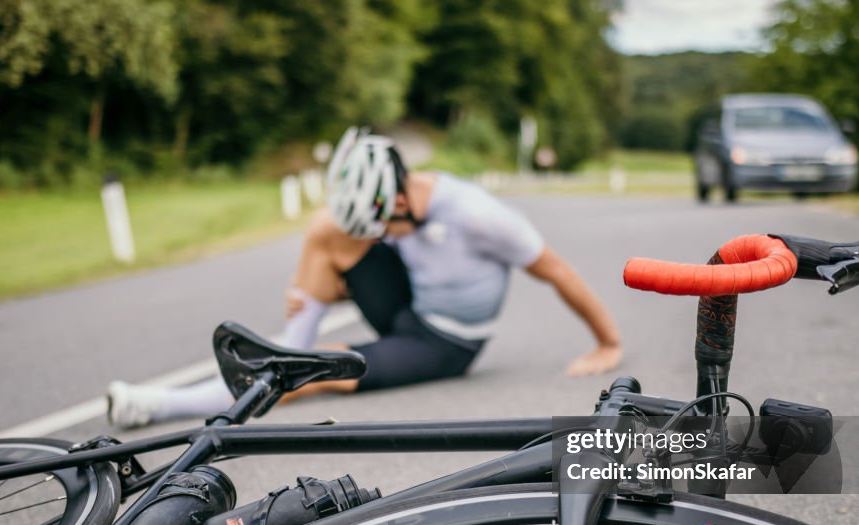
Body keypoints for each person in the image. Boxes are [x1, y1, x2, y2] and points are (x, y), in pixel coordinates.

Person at [107, 128, 623, 428]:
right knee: (324, 231)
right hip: (409, 305)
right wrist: (313, 289)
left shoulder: (476, 215)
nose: (382, 236)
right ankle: (293, 344)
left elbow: (557, 270)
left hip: (446, 343)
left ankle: (159, 405)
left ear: (400, 198)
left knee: (314, 377)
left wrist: (607, 343)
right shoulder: (392, 207)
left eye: (384, 228)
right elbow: (362, 243)